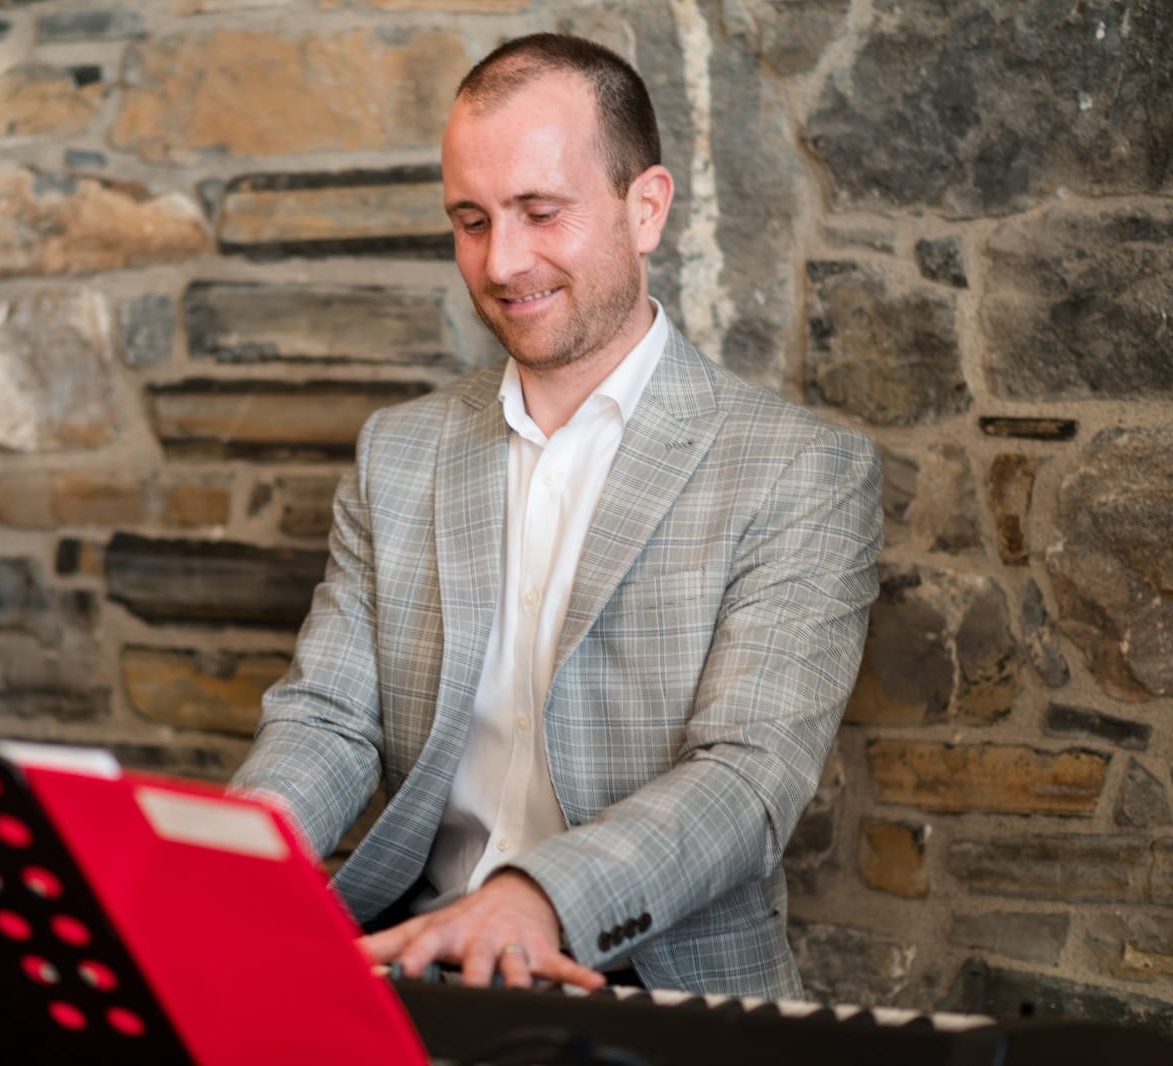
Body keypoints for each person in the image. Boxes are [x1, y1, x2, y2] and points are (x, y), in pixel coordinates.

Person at [230, 32, 882, 999]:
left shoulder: (800, 471)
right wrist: (233, 866)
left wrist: (535, 896)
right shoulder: (398, 452)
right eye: (471, 219)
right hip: (412, 964)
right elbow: (329, 720)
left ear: (645, 206)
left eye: (542, 211)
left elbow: (746, 784)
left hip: (660, 989)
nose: (502, 262)